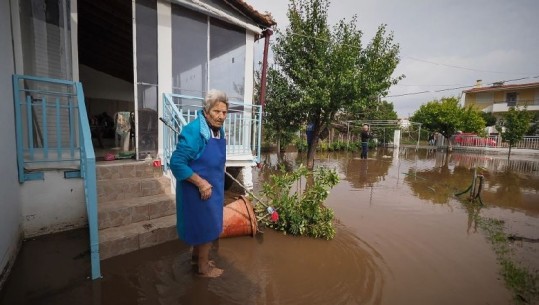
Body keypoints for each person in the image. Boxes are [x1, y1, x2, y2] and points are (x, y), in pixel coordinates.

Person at [170, 89, 228, 278]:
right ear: (206, 111)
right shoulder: (195, 131)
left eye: (224, 112)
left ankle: (197, 258)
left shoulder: (217, 130)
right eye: (216, 112)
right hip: (198, 190)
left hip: (214, 187)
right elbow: (177, 163)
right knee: (206, 227)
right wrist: (201, 183)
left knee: (205, 226)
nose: (221, 116)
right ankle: (204, 268)